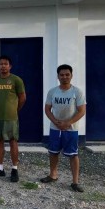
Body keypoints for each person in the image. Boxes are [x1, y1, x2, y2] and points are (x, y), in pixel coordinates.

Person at [40, 64, 86, 192]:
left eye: (67, 75)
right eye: (62, 75)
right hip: (55, 128)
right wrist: (55, 121)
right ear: (58, 76)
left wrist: (68, 123)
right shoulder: (52, 91)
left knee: (73, 154)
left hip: (71, 129)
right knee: (53, 152)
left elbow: (82, 111)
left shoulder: (77, 92)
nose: (64, 77)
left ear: (71, 76)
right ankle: (53, 175)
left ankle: (75, 182)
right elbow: (47, 109)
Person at [0, 55, 26, 182]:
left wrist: (14, 110)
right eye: (1, 64)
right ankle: (0, 168)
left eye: (6, 64)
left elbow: (22, 98)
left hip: (11, 118)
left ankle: (14, 169)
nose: (3, 66)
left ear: (10, 66)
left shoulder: (16, 80)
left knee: (13, 141)